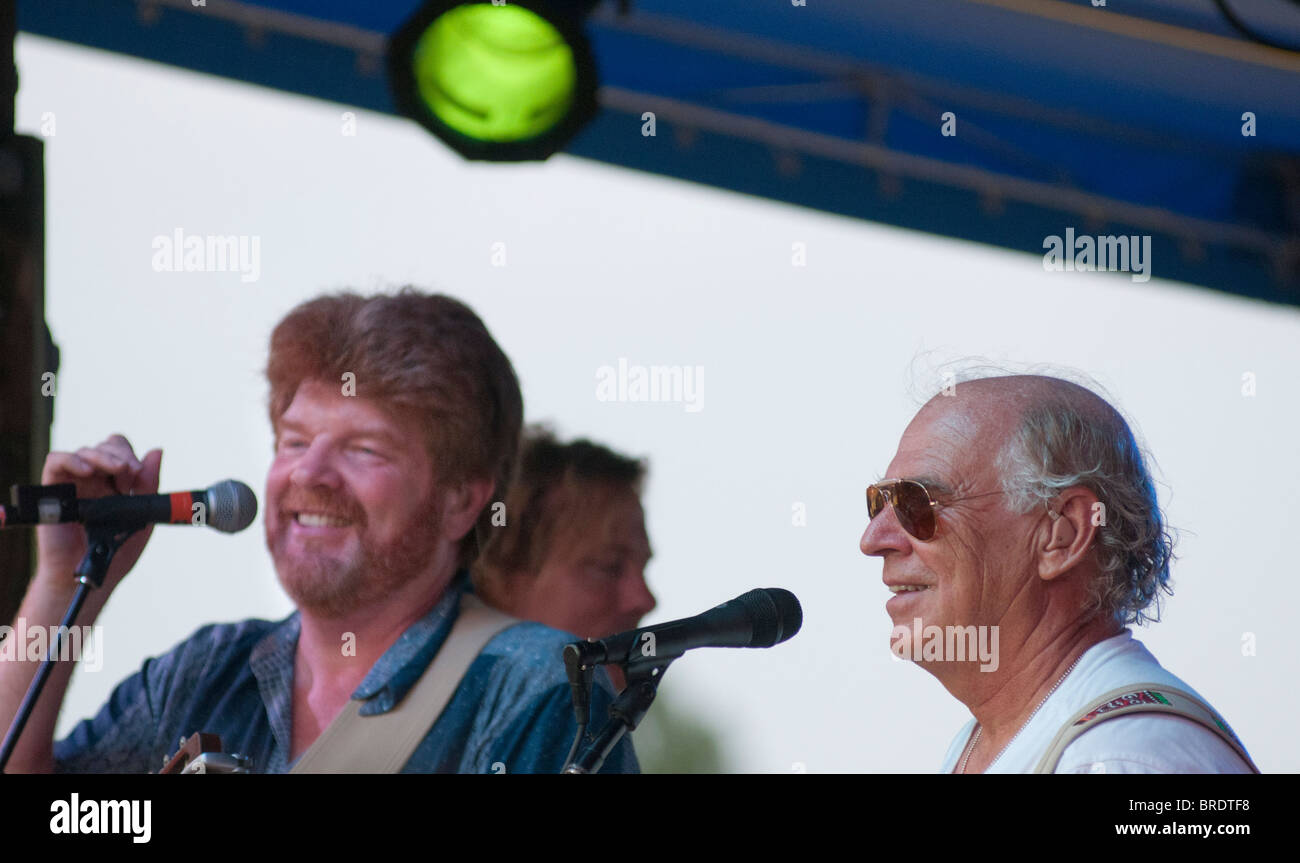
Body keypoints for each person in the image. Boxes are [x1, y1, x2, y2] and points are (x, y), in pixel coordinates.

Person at [0, 288, 637, 774]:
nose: (310, 472)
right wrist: (63, 582)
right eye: (295, 440)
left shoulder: (541, 694)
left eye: (363, 449)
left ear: (460, 503)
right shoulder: (206, 672)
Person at [859, 372, 1257, 774]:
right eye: (879, 504)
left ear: (1062, 534)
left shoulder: (1120, 757)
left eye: (917, 503)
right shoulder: (1008, 736)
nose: (874, 540)